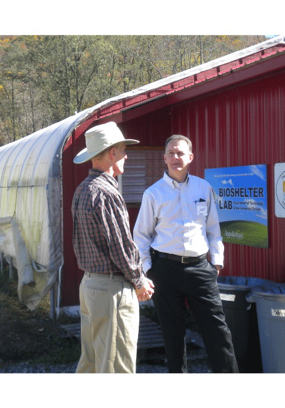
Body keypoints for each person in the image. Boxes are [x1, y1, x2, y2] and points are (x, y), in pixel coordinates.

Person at [133, 134, 238, 373]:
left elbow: (213, 229)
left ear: (190, 157)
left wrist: (217, 264)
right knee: (172, 335)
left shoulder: (204, 188)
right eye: (170, 153)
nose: (175, 158)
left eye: (180, 153)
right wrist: (149, 270)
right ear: (164, 158)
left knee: (218, 331)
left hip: (200, 269)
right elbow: (141, 237)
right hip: (165, 270)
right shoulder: (153, 194)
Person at [72, 121, 154, 373]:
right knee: (116, 369)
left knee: (92, 362)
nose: (127, 156)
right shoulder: (106, 192)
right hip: (111, 290)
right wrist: (139, 281)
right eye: (123, 150)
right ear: (111, 153)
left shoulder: (83, 189)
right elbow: (121, 247)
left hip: (90, 285)